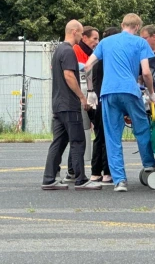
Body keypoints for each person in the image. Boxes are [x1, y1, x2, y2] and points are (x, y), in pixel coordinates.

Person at [85, 13, 155, 192]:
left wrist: (90, 92)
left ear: (122, 24)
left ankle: (119, 180)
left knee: (112, 136)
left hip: (108, 92)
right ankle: (149, 164)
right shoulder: (140, 43)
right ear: (137, 27)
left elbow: (88, 66)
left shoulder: (105, 42)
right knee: (141, 128)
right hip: (130, 91)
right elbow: (147, 73)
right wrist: (152, 94)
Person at [41, 20, 102, 191]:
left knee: (58, 142)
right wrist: (82, 97)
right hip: (69, 104)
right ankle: (81, 179)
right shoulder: (68, 51)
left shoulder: (58, 50)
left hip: (58, 104)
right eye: (81, 33)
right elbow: (69, 76)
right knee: (78, 141)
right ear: (74, 32)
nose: (82, 37)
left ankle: (49, 178)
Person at [87, 26, 121, 185]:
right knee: (110, 136)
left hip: (98, 100)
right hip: (108, 99)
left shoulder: (97, 58)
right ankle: (107, 171)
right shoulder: (111, 59)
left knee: (99, 137)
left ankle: (95, 172)